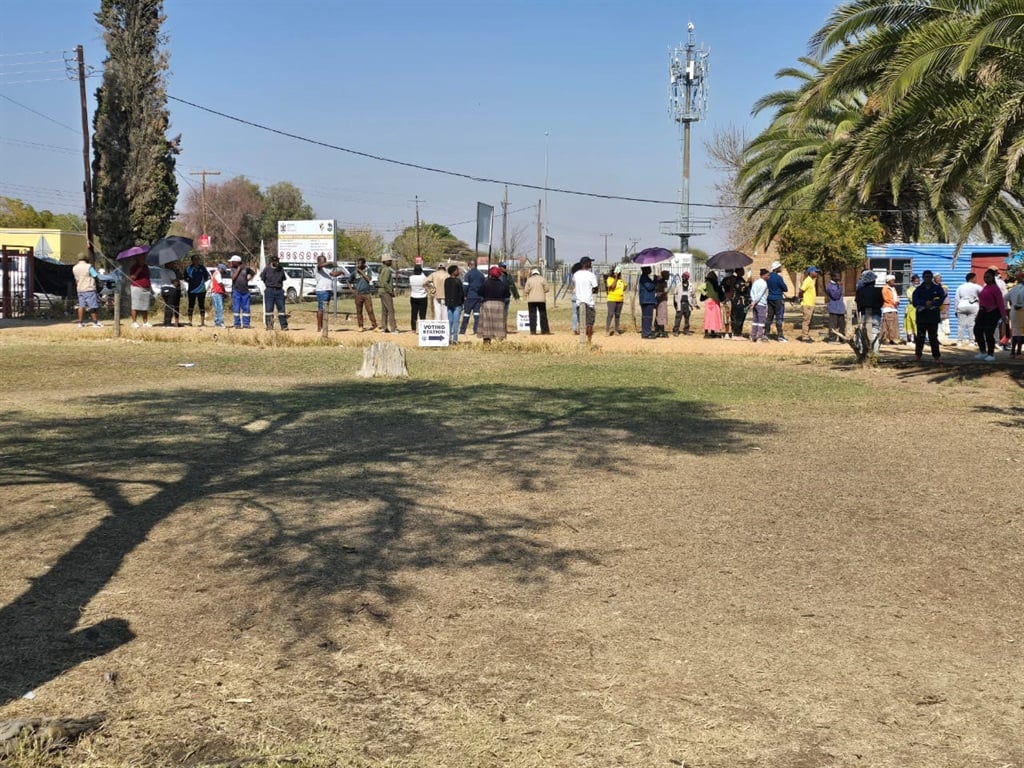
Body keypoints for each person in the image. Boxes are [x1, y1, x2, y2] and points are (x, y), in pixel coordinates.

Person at [973, 269, 1008, 362]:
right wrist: (978, 314)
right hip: (983, 312)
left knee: (989, 333)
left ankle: (991, 354)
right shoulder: (985, 287)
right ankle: (983, 351)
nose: (986, 279)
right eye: (984, 277)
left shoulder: (995, 288)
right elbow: (982, 301)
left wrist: (1004, 315)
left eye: (988, 277)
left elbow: (1000, 302)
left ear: (993, 277)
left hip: (993, 312)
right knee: (977, 330)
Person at [911, 269, 945, 362]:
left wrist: (933, 303)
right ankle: (918, 356)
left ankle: (936, 357)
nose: (928, 278)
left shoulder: (937, 288)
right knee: (920, 337)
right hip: (922, 316)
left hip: (933, 316)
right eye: (926, 277)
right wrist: (924, 303)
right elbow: (914, 301)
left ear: (932, 278)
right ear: (923, 278)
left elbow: (942, 298)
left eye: (930, 277)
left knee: (933, 337)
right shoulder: (918, 289)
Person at [477, 265, 510, 343]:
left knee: (487, 323)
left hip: (488, 304)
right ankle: (499, 339)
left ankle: (487, 340)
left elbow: (480, 292)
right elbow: (507, 294)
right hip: (499, 305)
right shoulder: (502, 284)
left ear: (490, 274)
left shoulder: (486, 283)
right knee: (499, 323)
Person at [572, 256, 600, 342]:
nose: (591, 264)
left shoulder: (576, 274)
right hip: (589, 302)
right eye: (590, 262)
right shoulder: (591, 275)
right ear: (586, 264)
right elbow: (596, 288)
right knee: (590, 323)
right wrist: (591, 290)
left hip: (579, 302)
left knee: (582, 323)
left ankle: (582, 340)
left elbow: (574, 284)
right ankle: (589, 340)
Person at [259, 255, 288, 330]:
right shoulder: (267, 269)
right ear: (272, 261)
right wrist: (268, 284)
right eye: (275, 261)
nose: (277, 263)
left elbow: (283, 278)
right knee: (269, 309)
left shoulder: (281, 269)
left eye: (278, 261)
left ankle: (284, 326)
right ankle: (269, 326)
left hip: (279, 291)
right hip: (269, 291)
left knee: (281, 309)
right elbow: (262, 278)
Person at [73, 253, 102, 327]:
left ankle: (80, 322)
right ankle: (95, 322)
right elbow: (95, 275)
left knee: (81, 306)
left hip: (80, 289)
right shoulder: (89, 266)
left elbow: (76, 280)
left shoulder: (75, 268)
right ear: (86, 259)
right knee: (92, 306)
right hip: (89, 288)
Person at [314, 255, 342, 333]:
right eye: (324, 261)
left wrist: (340, 272)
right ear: (319, 261)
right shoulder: (318, 268)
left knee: (325, 309)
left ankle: (324, 326)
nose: (325, 262)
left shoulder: (326, 269)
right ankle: (319, 327)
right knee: (321, 309)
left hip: (328, 290)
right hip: (322, 290)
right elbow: (320, 265)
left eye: (325, 261)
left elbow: (333, 274)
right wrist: (330, 262)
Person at [953, 272, 981, 347]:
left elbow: (956, 299)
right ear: (972, 278)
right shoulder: (977, 287)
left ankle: (959, 341)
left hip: (962, 305)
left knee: (961, 325)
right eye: (975, 278)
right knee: (971, 325)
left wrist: (955, 309)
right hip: (973, 306)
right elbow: (983, 296)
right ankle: (971, 341)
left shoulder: (960, 287)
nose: (976, 279)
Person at [459, 259, 484, 335]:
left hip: (469, 297)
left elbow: (465, 286)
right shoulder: (481, 275)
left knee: (466, 314)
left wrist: (464, 295)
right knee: (477, 314)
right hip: (478, 298)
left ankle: (462, 331)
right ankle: (476, 330)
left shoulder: (468, 274)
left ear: (470, 265)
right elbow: (483, 287)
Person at [352, 258, 378, 331]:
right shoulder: (355, 272)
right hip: (358, 294)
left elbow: (369, 279)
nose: (358, 265)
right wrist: (352, 290)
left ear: (363, 264)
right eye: (357, 263)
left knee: (370, 310)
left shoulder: (368, 270)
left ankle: (374, 325)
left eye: (359, 263)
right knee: (359, 311)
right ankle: (360, 326)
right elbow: (349, 280)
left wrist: (361, 272)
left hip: (366, 294)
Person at [766, 260, 789, 341]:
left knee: (769, 317)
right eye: (780, 267)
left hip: (770, 298)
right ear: (776, 268)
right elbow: (785, 288)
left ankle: (766, 334)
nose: (781, 268)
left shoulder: (768, 277)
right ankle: (780, 336)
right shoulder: (778, 278)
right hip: (778, 299)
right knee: (779, 317)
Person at [184, 253, 210, 327]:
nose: (197, 260)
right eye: (195, 259)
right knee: (191, 305)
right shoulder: (188, 268)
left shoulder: (202, 268)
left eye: (198, 259)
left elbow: (206, 276)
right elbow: (185, 277)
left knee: (201, 305)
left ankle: (202, 323)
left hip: (201, 290)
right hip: (191, 290)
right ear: (192, 260)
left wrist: (201, 282)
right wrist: (189, 280)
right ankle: (190, 322)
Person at [128, 252, 153, 328]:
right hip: (136, 287)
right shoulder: (134, 267)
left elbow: (148, 277)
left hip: (146, 288)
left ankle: (145, 322)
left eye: (144, 258)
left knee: (145, 306)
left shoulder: (146, 267)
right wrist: (139, 270)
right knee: (135, 305)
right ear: (137, 259)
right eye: (141, 258)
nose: (143, 259)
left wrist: (150, 286)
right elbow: (132, 278)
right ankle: (134, 322)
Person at [229, 255, 254, 329]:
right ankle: (237, 324)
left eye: (232, 261)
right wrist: (239, 269)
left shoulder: (246, 268)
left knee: (246, 308)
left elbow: (252, 272)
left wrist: (249, 278)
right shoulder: (233, 269)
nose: (231, 263)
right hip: (236, 291)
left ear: (237, 262)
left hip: (245, 291)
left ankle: (246, 324)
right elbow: (233, 278)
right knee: (236, 308)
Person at [524, 268, 550, 335]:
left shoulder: (529, 280)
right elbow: (547, 289)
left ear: (532, 274)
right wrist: (541, 291)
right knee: (543, 315)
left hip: (531, 300)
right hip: (541, 300)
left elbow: (526, 290)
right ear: (538, 273)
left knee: (532, 315)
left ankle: (533, 331)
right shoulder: (542, 279)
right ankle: (545, 331)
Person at [797, 266, 819, 343]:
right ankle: (804, 337)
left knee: (809, 321)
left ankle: (807, 334)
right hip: (807, 304)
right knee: (806, 320)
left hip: (811, 304)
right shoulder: (807, 280)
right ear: (811, 272)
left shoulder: (811, 281)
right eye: (815, 272)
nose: (817, 273)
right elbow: (801, 291)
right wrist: (801, 299)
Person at [377, 254, 398, 333]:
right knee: (391, 310)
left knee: (384, 310)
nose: (391, 262)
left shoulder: (381, 269)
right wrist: (390, 291)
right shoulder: (387, 270)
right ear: (385, 261)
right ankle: (393, 328)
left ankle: (384, 327)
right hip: (386, 291)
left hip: (381, 291)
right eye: (389, 260)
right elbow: (385, 282)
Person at [444, 265, 465, 343]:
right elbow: (461, 293)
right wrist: (462, 302)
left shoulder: (446, 280)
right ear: (453, 272)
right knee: (456, 322)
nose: (458, 271)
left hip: (449, 303)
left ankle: (448, 338)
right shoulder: (458, 281)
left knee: (450, 321)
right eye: (457, 270)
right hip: (457, 304)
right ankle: (455, 339)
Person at [671, 270, 695, 335]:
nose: (683, 278)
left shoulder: (691, 285)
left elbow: (693, 295)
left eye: (685, 277)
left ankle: (686, 330)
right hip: (680, 304)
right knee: (678, 317)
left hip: (687, 304)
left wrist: (694, 304)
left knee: (687, 318)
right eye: (683, 277)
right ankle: (676, 330)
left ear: (687, 278)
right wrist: (675, 304)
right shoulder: (678, 285)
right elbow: (675, 294)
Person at [824, 271, 846, 343]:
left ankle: (842, 338)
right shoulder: (830, 286)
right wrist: (840, 287)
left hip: (840, 309)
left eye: (839, 276)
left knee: (842, 325)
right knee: (833, 325)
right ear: (833, 277)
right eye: (837, 276)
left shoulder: (837, 284)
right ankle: (832, 339)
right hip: (834, 309)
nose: (839, 278)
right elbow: (835, 296)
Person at [749, 268, 769, 342]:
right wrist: (755, 301)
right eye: (767, 275)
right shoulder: (764, 283)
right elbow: (760, 294)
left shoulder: (755, 282)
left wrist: (752, 301)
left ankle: (753, 335)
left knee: (755, 320)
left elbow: (752, 292)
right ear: (763, 275)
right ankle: (759, 336)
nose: (768, 276)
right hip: (760, 304)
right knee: (761, 321)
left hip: (755, 304)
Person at [880, 273, 901, 344]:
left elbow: (896, 296)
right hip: (888, 308)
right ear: (888, 281)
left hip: (894, 308)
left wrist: (897, 301)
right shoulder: (885, 288)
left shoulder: (893, 288)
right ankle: (887, 339)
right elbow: (886, 298)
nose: (893, 282)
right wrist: (893, 303)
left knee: (894, 324)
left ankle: (892, 338)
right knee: (889, 324)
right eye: (892, 280)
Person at [702, 270, 724, 338]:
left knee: (708, 317)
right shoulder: (716, 284)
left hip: (708, 301)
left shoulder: (707, 283)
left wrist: (705, 294)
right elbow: (720, 293)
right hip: (715, 301)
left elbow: (700, 289)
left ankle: (706, 332)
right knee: (714, 317)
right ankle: (712, 331)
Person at [161, 261, 183, 327]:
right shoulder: (171, 272)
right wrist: (177, 282)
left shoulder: (161, 271)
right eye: (172, 263)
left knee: (167, 307)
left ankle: (165, 322)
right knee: (170, 307)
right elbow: (175, 283)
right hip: (171, 289)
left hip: (163, 289)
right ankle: (168, 324)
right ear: (169, 264)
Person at [1007, 276, 1024, 357]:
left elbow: (1004, 298)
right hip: (1021, 311)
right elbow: (1020, 298)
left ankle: (1013, 352)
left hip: (1013, 311)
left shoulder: (1013, 289)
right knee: (1021, 333)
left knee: (1015, 332)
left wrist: (1007, 308)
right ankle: (1019, 353)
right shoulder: (1022, 289)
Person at [605, 265, 625, 335]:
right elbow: (612, 287)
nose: (617, 273)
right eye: (615, 272)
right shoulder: (609, 279)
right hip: (612, 300)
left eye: (618, 273)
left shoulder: (621, 281)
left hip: (620, 300)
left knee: (617, 315)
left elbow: (624, 287)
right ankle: (607, 330)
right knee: (610, 314)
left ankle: (616, 330)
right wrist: (616, 277)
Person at [638, 266, 657, 338]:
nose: (650, 270)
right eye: (649, 268)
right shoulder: (644, 278)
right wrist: (655, 281)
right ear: (645, 270)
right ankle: (646, 333)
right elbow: (649, 287)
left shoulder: (646, 277)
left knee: (647, 317)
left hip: (648, 300)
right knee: (647, 317)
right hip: (647, 300)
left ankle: (647, 331)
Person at [408, 263, 429, 331]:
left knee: (414, 313)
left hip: (414, 296)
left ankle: (413, 328)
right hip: (422, 297)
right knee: (422, 314)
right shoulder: (423, 278)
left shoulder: (411, 278)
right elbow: (428, 285)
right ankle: (422, 328)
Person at [730, 268, 750, 338]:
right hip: (739, 302)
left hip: (743, 302)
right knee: (738, 318)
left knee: (741, 317)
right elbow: (741, 289)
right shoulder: (737, 280)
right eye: (741, 270)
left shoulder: (741, 279)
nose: (743, 271)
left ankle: (738, 332)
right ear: (738, 272)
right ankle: (736, 333)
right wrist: (746, 285)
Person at [904, 273, 920, 344]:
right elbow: (911, 298)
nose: (917, 282)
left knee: (917, 323)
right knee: (909, 323)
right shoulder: (909, 290)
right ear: (912, 281)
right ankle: (909, 339)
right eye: (915, 281)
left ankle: (917, 339)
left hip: (919, 308)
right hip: (911, 308)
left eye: (918, 281)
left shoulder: (921, 289)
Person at [934, 273, 950, 343]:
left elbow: (943, 293)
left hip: (943, 305)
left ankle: (945, 337)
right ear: (934, 279)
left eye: (940, 278)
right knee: (936, 322)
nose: (939, 279)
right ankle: (938, 337)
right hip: (935, 305)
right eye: (937, 278)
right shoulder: (932, 286)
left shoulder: (944, 286)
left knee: (945, 321)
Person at [654, 270, 670, 338]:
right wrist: (664, 293)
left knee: (659, 315)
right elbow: (663, 291)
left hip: (658, 299)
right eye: (668, 275)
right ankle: (661, 331)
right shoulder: (663, 282)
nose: (669, 276)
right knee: (661, 315)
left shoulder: (658, 281)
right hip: (661, 300)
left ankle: (657, 330)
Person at [210, 262, 227, 328]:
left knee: (217, 308)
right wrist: (224, 291)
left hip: (215, 292)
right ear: (221, 269)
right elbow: (220, 283)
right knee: (220, 308)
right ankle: (220, 322)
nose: (223, 273)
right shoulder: (218, 274)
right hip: (217, 293)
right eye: (223, 271)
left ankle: (217, 322)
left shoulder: (215, 273)